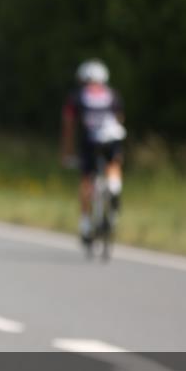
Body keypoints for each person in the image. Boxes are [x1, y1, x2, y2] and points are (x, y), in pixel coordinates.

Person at [61, 59, 126, 242]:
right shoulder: (112, 94)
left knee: (86, 179)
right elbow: (120, 118)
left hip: (90, 140)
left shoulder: (77, 96)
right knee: (114, 164)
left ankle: (85, 224)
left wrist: (67, 152)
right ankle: (114, 188)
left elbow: (69, 125)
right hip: (111, 136)